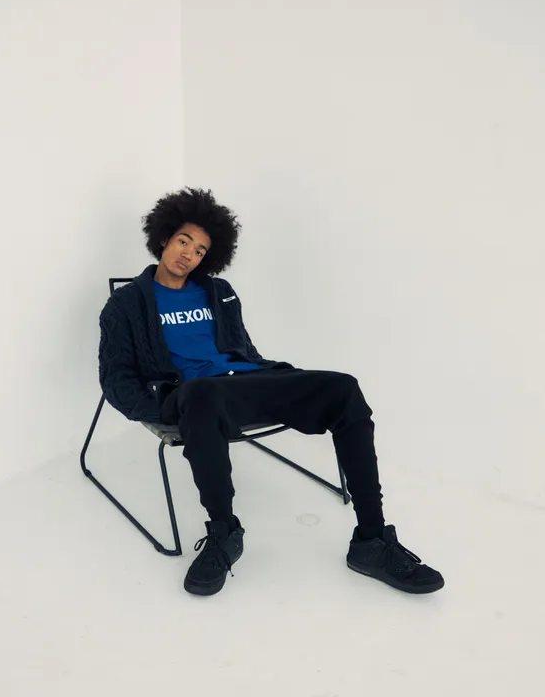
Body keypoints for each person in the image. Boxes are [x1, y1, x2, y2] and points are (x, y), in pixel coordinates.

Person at [98, 187, 444, 597]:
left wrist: (274, 377)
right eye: (183, 241)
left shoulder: (219, 292)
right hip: (193, 396)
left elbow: (244, 351)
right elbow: (115, 378)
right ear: (164, 239)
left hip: (244, 382)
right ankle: (224, 534)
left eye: (200, 250)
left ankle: (372, 539)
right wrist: (163, 410)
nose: (189, 254)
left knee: (344, 388)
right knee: (203, 394)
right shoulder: (127, 304)